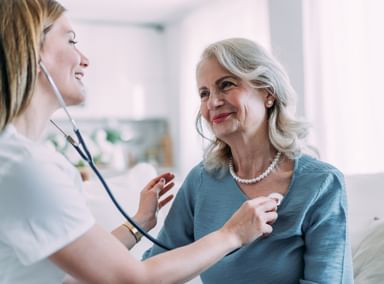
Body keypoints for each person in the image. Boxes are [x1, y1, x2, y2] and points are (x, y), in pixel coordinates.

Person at [0, 2, 279, 283]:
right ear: (33, 52)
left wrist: (139, 223)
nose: (84, 59)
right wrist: (231, 234)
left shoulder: (19, 159)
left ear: (269, 95)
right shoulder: (23, 168)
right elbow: (132, 279)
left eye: (227, 85)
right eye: (71, 41)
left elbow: (75, 276)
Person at [143, 38, 354, 283]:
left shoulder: (321, 183)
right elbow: (150, 271)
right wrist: (138, 223)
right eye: (204, 93)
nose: (213, 102)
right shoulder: (200, 181)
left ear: (268, 93)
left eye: (226, 85)